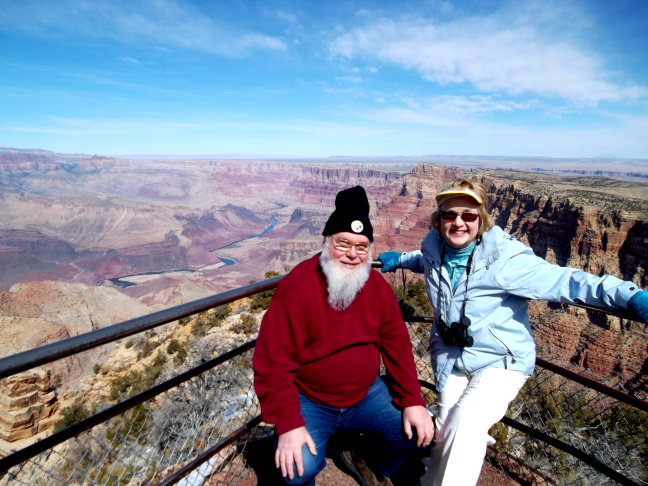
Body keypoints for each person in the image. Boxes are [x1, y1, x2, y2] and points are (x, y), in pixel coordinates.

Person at [378, 178, 648, 486]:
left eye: (468, 216)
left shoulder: (505, 259)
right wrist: (398, 260)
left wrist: (630, 296)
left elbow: (569, 282)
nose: (458, 223)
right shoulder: (433, 248)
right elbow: (424, 260)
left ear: (482, 220)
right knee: (443, 431)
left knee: (466, 424)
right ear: (438, 220)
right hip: (453, 357)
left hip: (500, 360)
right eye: (450, 215)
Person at [253, 185, 435, 486]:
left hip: (366, 394)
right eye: (343, 244)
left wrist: (413, 400)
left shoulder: (375, 287)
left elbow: (396, 343)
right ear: (327, 242)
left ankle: (364, 458)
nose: (352, 254)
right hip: (310, 398)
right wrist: (288, 423)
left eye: (361, 246)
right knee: (297, 469)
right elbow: (274, 361)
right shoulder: (298, 287)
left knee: (421, 435)